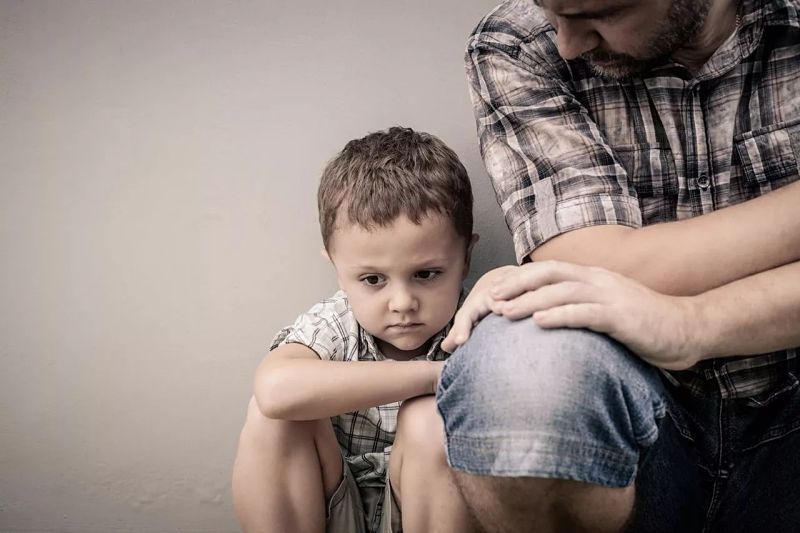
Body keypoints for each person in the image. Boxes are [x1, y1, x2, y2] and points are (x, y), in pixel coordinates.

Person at [435, 0, 800, 531]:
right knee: (519, 367)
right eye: (549, 9)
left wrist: (695, 324)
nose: (566, 42)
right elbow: (592, 269)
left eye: (598, 14)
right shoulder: (518, 42)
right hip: (644, 417)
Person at [232, 127, 481, 533]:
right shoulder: (337, 323)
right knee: (273, 416)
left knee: (430, 419)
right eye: (372, 280)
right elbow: (274, 389)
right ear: (335, 266)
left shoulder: (476, 328)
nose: (402, 302)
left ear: (466, 257)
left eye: (426, 274)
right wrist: (435, 375)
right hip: (331, 510)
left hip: (430, 509)